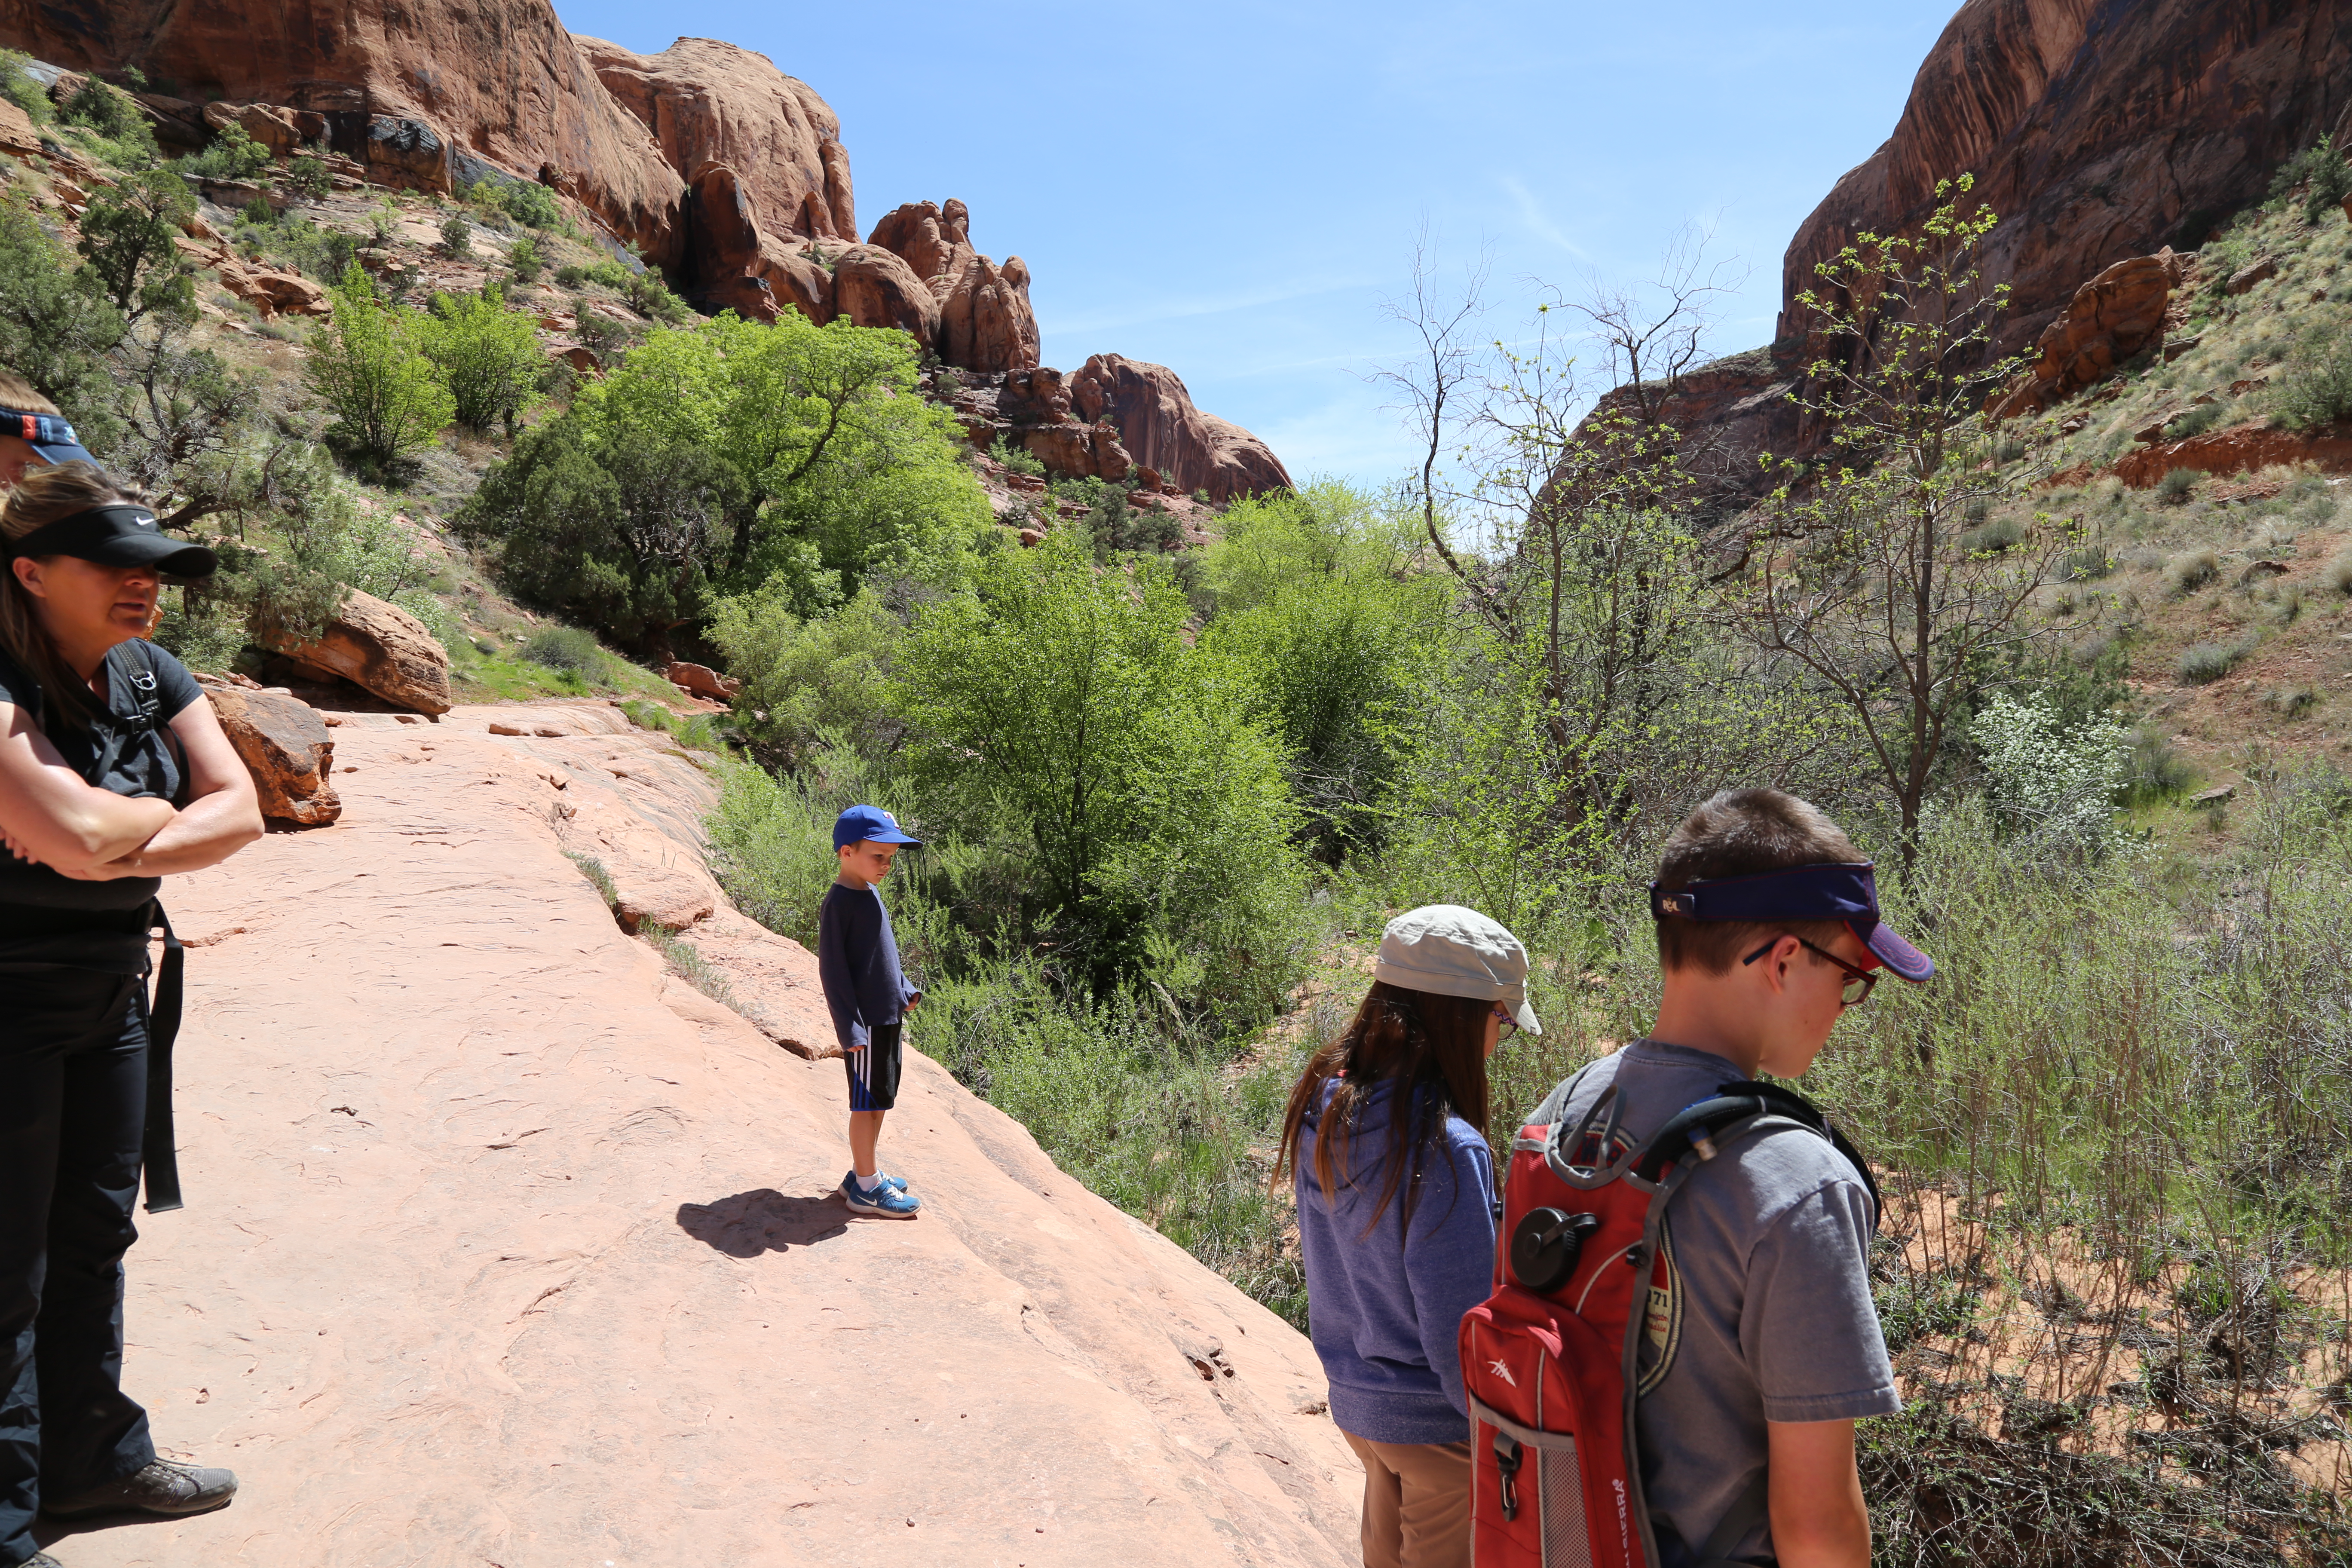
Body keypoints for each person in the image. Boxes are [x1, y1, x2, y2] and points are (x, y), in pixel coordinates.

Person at [1528, 787, 1932, 1568]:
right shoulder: (1797, 1184)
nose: (1846, 1006)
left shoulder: (1560, 1113)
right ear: (1784, 959)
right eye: (1851, 978)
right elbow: (1817, 1530)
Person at [0, 459, 265, 1568]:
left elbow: (243, 810)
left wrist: (115, 823)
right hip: (6, 997)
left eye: (155, 568)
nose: (145, 587)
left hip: (114, 990)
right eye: (115, 566)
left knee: (93, 1235)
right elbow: (60, 837)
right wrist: (136, 823)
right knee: (5, 1263)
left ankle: (90, 1462)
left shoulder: (152, 672)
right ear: (30, 571)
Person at [1275, 904, 1540, 1568]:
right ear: (1461, 1014)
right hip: (1439, 1432)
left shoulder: (1323, 1107)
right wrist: (1501, 1433)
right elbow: (1460, 1329)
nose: (1500, 1038)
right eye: (1502, 1018)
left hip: (1360, 1408)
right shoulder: (1446, 1147)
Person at [816, 803, 923, 1220]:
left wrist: (904, 989)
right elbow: (834, 973)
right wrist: (851, 1031)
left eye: (891, 859)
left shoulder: (869, 893)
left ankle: (864, 1174)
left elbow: (883, 957)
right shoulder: (840, 904)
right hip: (865, 1028)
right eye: (878, 856)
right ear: (846, 852)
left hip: (886, 1018)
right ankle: (865, 1189)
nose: (886, 866)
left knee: (878, 1101)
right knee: (865, 1105)